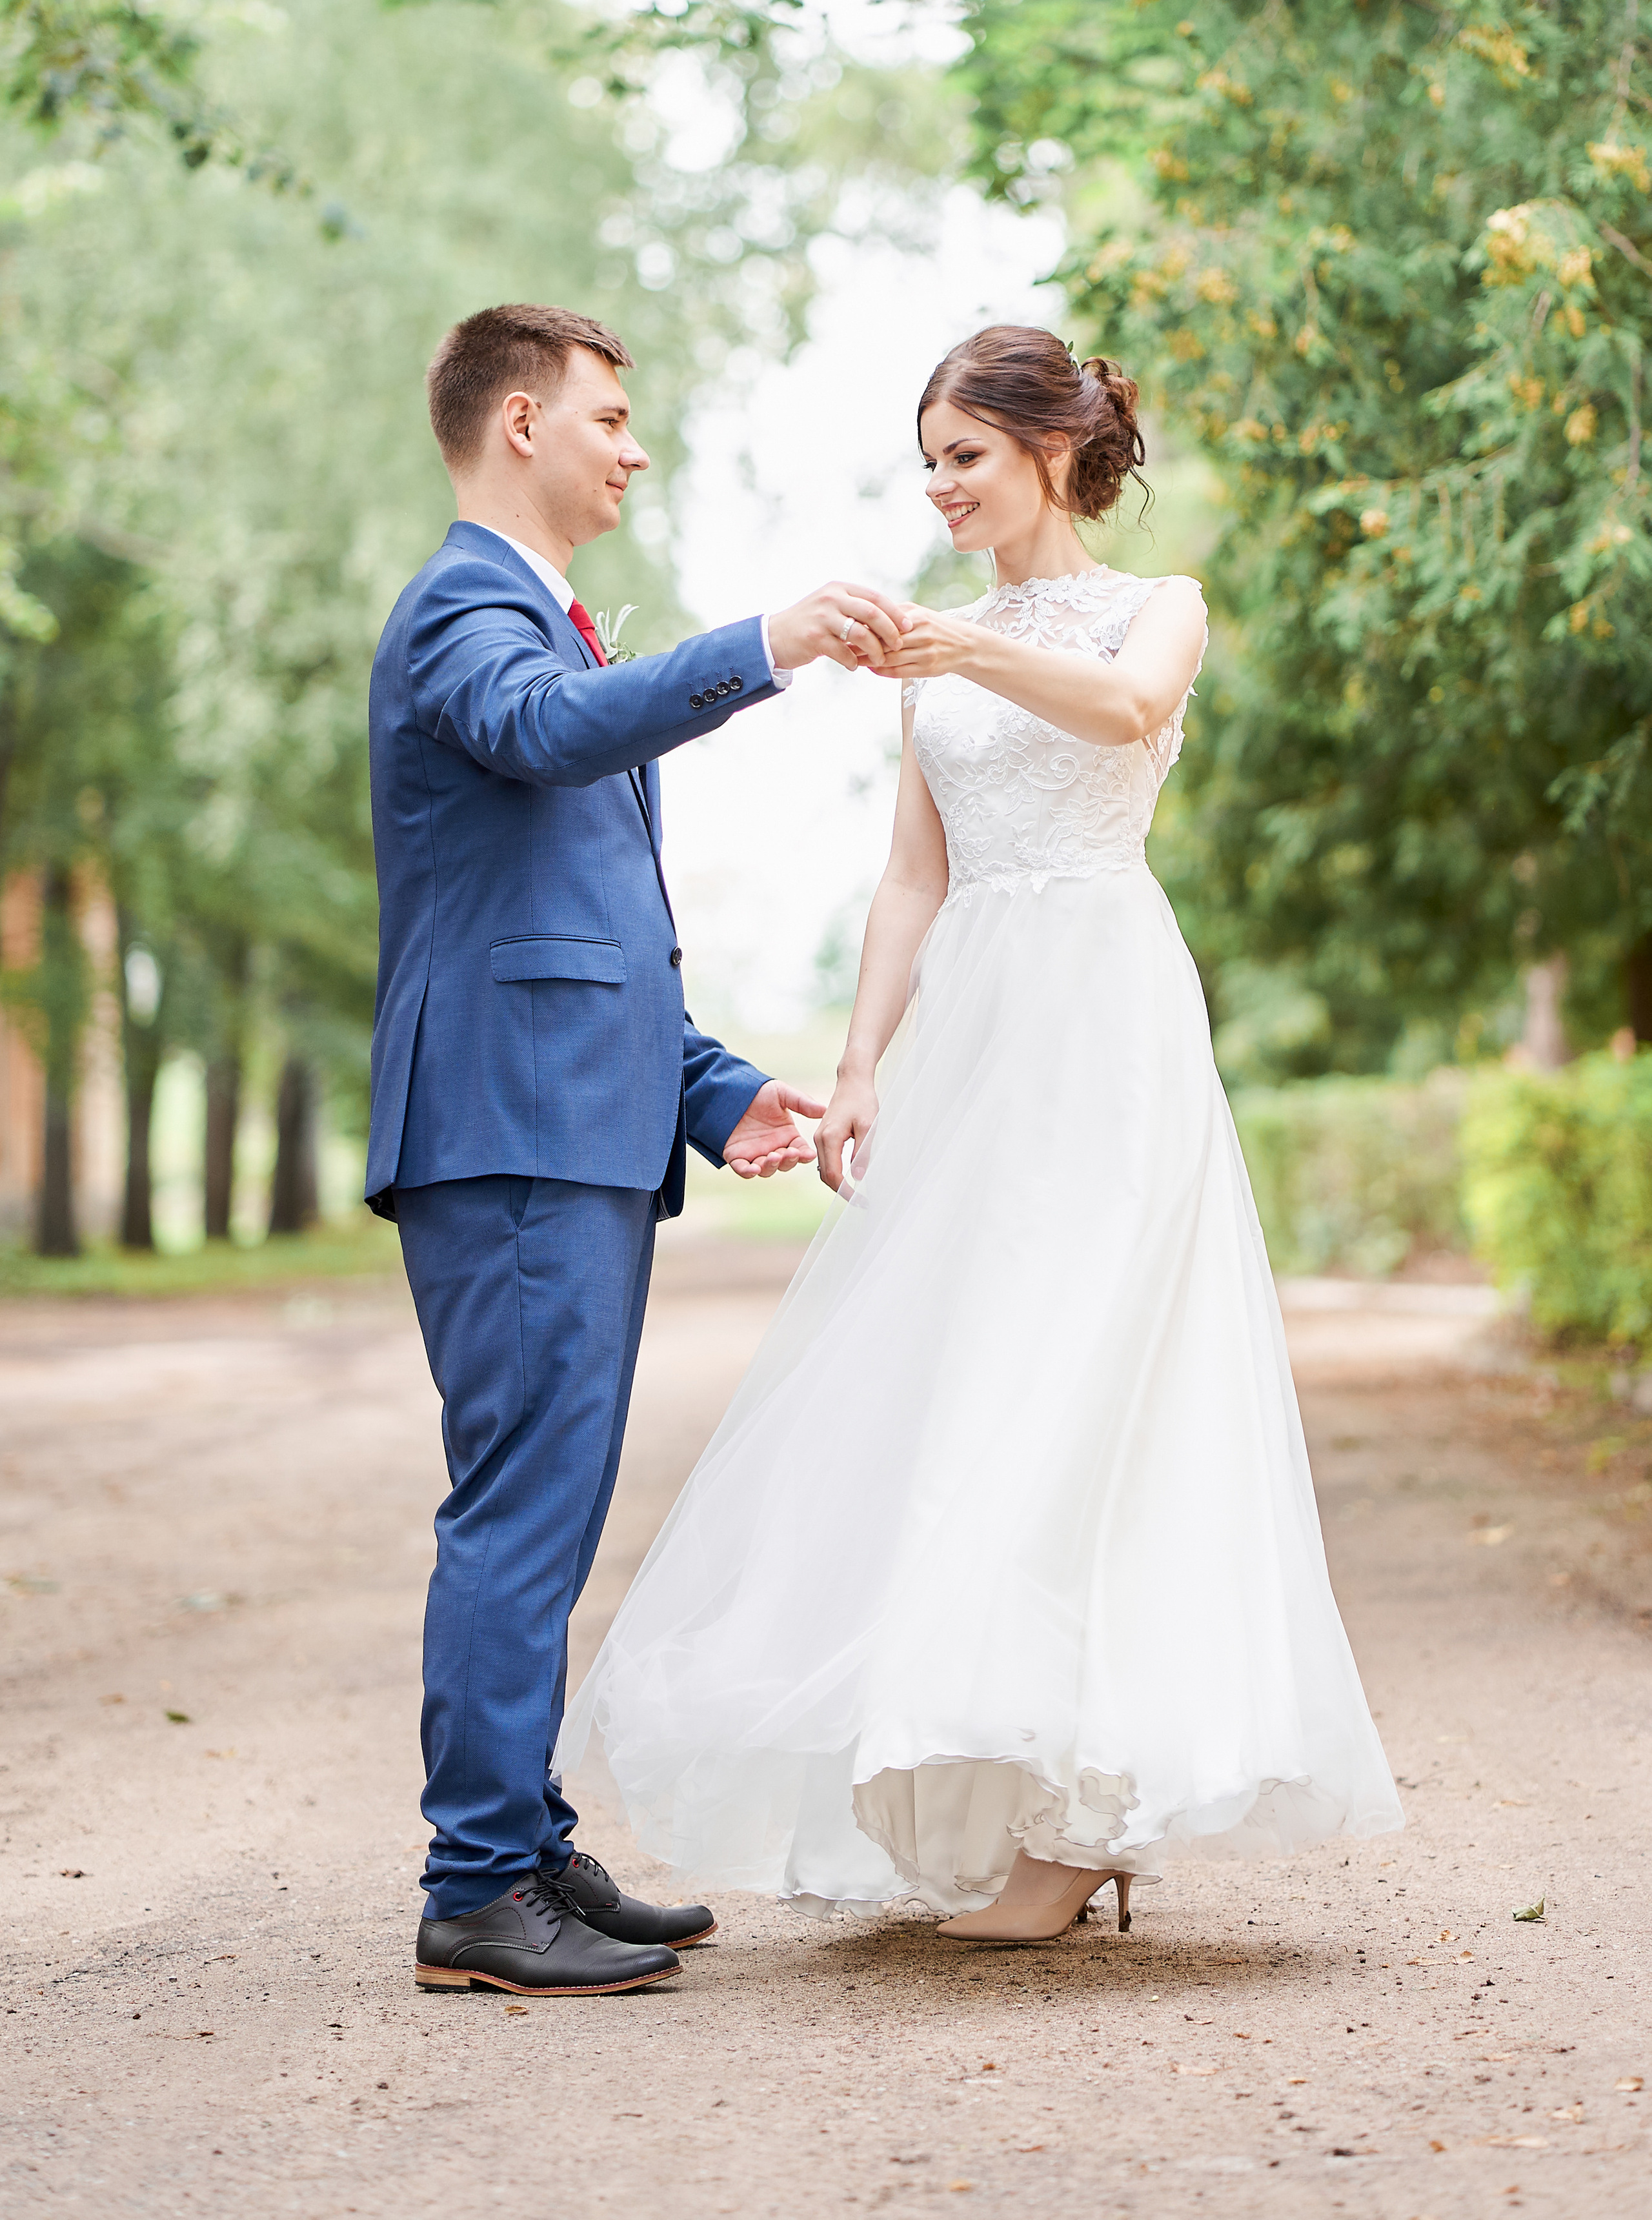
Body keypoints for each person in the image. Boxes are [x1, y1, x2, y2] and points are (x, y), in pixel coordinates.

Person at [559, 323, 1404, 1942]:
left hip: (1103, 1013)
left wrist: (956, 648)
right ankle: (985, 1778)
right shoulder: (936, 658)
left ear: (1050, 451)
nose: (940, 488)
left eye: (963, 457)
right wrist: (859, 1061)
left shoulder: (1154, 608)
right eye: (927, 464)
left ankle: (1090, 1811)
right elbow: (911, 875)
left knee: (1083, 1369)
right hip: (973, 1028)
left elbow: (1124, 709)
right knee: (963, 1373)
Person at [367, 302, 912, 1997]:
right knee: (521, 1506)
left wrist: (713, 1088)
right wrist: (764, 644)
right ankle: (476, 1886)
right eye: (609, 416)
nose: (637, 445)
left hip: (563, 1123)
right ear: (519, 423)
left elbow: (569, 932)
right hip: (510, 1135)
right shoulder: (464, 612)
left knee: (548, 1501)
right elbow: (546, 734)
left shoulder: (539, 624)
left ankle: (522, 1847)